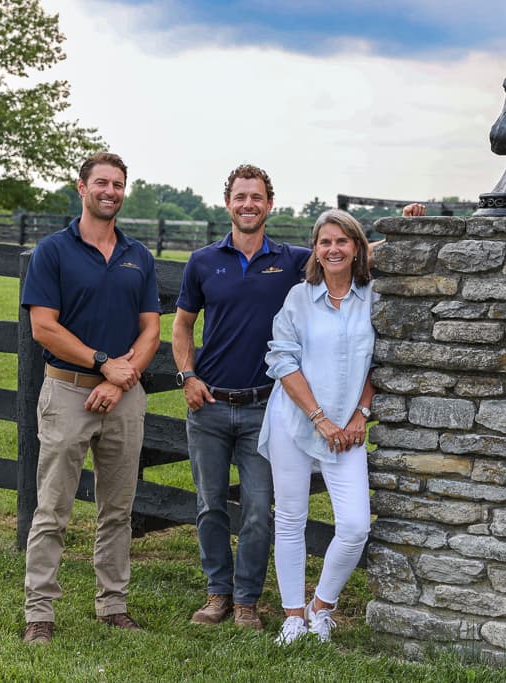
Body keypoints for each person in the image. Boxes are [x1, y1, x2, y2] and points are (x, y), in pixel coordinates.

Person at [258, 207, 422, 645]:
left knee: (354, 527)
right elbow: (281, 360)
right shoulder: (298, 298)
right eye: (324, 241)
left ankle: (321, 607)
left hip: (347, 431)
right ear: (315, 249)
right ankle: (292, 615)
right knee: (290, 519)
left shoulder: (372, 298)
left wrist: (357, 415)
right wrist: (320, 419)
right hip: (295, 420)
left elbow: (378, 362)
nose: (333, 249)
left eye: (341, 241)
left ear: (356, 248)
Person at [21, 152, 161, 643]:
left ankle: (113, 604)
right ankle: (39, 612)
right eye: (101, 182)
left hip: (123, 398)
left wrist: (118, 379)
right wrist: (103, 362)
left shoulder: (138, 256)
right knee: (53, 509)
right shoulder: (53, 252)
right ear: (81, 187)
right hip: (66, 392)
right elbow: (44, 327)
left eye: (118, 185)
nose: (111, 191)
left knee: (118, 510)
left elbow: (150, 332)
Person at [172, 164, 311, 630]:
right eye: (240, 196)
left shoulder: (292, 260)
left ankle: (248, 600)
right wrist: (187, 376)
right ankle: (218, 594)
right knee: (210, 504)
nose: (248, 204)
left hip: (264, 408)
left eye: (256, 197)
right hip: (208, 405)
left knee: (256, 509)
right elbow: (182, 326)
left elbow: (348, 254)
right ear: (227, 203)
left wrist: (408, 227)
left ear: (269, 204)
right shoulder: (203, 261)